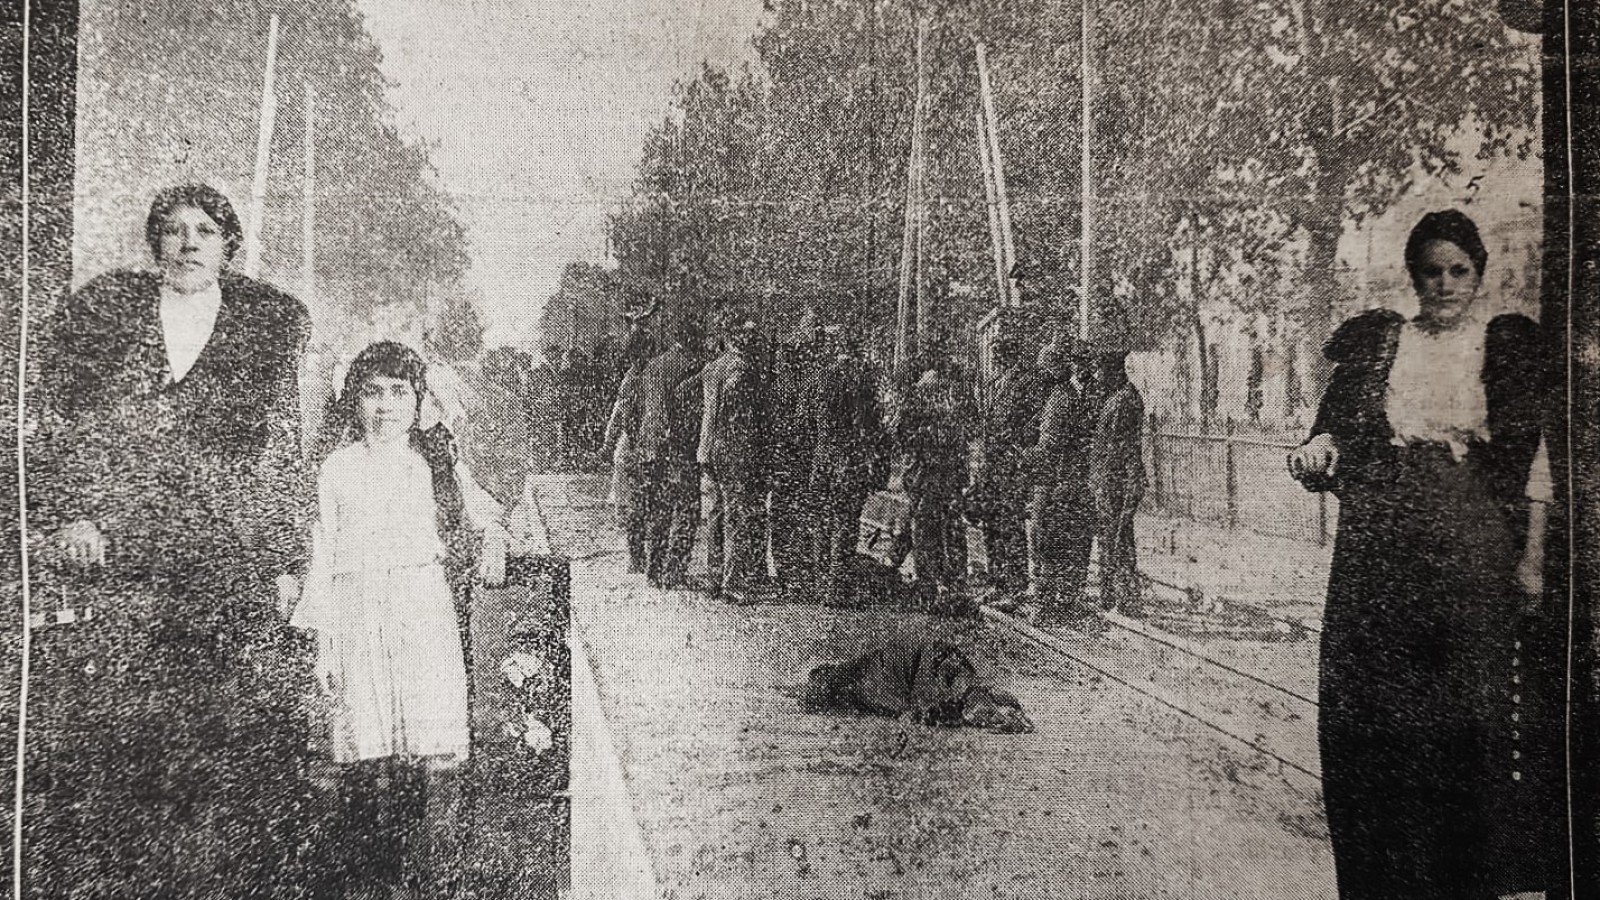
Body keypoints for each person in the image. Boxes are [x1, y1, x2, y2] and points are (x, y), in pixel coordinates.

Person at [25, 184, 318, 897]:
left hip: (224, 556)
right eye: (174, 230)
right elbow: (61, 424)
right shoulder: (108, 320)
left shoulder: (266, 328)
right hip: (130, 559)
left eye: (205, 231)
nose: (188, 243)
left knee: (223, 731)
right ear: (154, 243)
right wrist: (74, 513)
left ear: (228, 246)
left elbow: (284, 448)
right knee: (129, 731)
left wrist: (284, 559)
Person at [1288, 209, 1550, 898]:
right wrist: (1319, 448)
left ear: (1479, 275)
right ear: (1413, 276)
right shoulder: (1381, 343)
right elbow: (1333, 431)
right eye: (1431, 271)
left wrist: (1529, 562)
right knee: (1378, 719)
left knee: (1464, 723)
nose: (1444, 284)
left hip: (1470, 550)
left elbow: (1534, 470)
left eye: (1458, 270)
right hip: (1382, 552)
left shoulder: (1508, 348)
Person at [292, 342, 507, 898]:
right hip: (357, 610)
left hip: (421, 609)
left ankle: (432, 878)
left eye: (398, 393)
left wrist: (493, 544)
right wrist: (324, 645)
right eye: (372, 393)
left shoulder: (434, 466)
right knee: (366, 745)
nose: (385, 407)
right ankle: (372, 878)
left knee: (429, 745)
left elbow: (488, 516)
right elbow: (321, 555)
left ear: (418, 402)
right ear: (353, 401)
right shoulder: (335, 470)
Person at [804, 324, 889, 606]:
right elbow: (870, 423)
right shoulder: (860, 380)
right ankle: (837, 589)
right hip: (847, 460)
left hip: (821, 459)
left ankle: (819, 584)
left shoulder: (819, 377)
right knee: (845, 523)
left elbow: (804, 418)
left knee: (821, 521)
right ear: (853, 350)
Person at [688, 317, 768, 602]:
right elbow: (746, 419)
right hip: (736, 448)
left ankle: (713, 575)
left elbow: (708, 414)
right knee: (736, 514)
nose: (753, 340)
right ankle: (732, 582)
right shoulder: (742, 369)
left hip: (712, 448)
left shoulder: (712, 368)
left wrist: (703, 451)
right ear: (738, 337)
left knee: (716, 513)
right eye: (749, 335)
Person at [1021, 338, 1099, 627]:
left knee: (1044, 542)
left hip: (1053, 480)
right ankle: (1063, 601)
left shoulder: (1059, 399)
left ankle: (1045, 606)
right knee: (1068, 543)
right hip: (1069, 479)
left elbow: (1049, 446)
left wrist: (1021, 456)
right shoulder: (1067, 396)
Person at [973, 324, 1046, 609]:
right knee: (992, 524)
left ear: (1008, 356)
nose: (993, 358)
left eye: (997, 353)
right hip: (993, 466)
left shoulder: (1024, 383)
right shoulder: (994, 384)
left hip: (1011, 466)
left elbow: (1032, 424)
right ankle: (998, 581)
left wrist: (1015, 448)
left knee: (1010, 526)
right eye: (993, 353)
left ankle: (1015, 586)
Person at [894, 354, 973, 599]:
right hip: (925, 473)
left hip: (946, 474)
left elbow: (964, 438)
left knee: (948, 527)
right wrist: (925, 437)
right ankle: (928, 580)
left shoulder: (955, 399)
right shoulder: (915, 402)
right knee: (925, 525)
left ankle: (950, 578)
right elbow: (903, 437)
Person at [635, 318, 704, 588]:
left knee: (659, 510)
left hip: (653, 448)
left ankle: (654, 570)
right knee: (688, 510)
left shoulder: (655, 365)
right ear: (692, 339)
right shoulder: (692, 366)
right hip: (680, 447)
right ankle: (675, 571)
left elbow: (648, 411)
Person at [767, 310, 823, 589]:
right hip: (790, 454)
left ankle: (790, 568)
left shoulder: (786, 383)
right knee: (789, 513)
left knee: (790, 512)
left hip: (792, 455)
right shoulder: (786, 385)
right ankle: (790, 569)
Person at [1090, 349, 1146, 614]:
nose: (1097, 376)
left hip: (1117, 479)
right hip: (1112, 477)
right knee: (1112, 539)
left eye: (1100, 371)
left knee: (1117, 539)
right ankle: (1114, 597)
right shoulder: (1118, 397)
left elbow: (1118, 448)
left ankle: (1121, 599)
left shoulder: (1123, 401)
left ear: (1112, 372)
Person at [604, 330, 657, 573]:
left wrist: (609, 442)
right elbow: (623, 416)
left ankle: (639, 558)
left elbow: (617, 416)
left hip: (637, 444)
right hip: (637, 444)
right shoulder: (637, 378)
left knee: (640, 504)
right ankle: (637, 558)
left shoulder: (637, 376)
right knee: (638, 505)